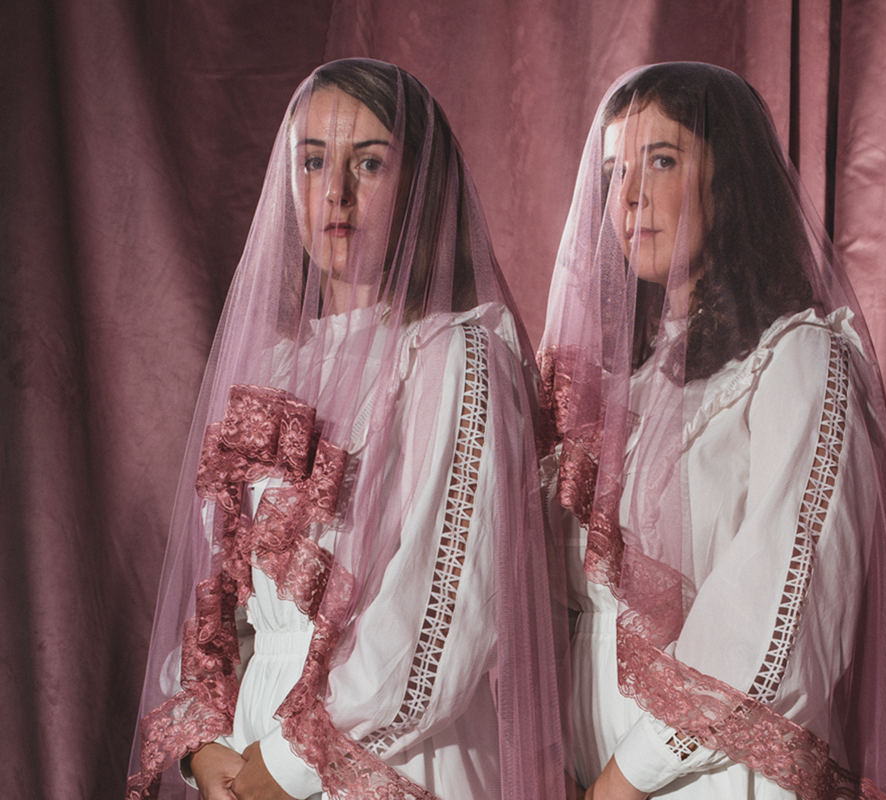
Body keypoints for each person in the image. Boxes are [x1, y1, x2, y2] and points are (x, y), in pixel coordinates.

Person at [127, 59, 569, 800]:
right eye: (312, 161)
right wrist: (204, 746)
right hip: (245, 757)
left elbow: (442, 615)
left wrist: (286, 769)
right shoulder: (278, 364)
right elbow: (222, 599)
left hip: (390, 760)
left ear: (422, 185)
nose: (334, 191)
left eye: (368, 163)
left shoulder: (456, 356)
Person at [538, 63, 886, 800]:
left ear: (729, 179)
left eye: (661, 160)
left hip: (718, 775)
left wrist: (625, 778)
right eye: (614, 170)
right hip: (587, 771)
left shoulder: (799, 360)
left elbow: (778, 616)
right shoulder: (617, 387)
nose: (629, 195)